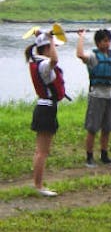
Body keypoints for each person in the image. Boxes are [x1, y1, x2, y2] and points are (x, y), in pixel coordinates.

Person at [76, 27, 111, 167]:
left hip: (110, 96)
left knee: (107, 128)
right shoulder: (93, 57)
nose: (107, 44)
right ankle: (89, 157)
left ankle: (104, 156)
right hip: (97, 96)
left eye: (109, 41)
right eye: (105, 41)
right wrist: (81, 36)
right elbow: (80, 54)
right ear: (98, 43)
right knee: (92, 128)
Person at [26, 30, 68, 197]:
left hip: (42, 108)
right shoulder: (44, 64)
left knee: (40, 151)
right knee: (42, 151)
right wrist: (49, 39)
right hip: (46, 109)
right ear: (46, 48)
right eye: (52, 47)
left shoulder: (37, 61)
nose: (54, 49)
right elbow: (55, 59)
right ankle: (39, 186)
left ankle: (37, 184)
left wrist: (41, 36)